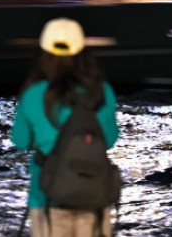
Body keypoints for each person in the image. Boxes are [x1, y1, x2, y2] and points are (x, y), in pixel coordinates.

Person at [11, 17, 119, 237]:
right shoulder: (102, 91)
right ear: (82, 53)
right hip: (93, 195)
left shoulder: (33, 94)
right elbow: (109, 139)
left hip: (47, 197)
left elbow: (20, 141)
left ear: (43, 54)